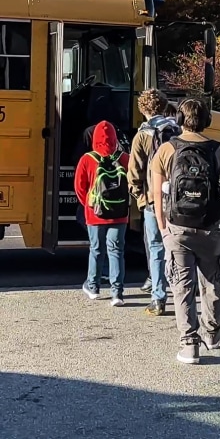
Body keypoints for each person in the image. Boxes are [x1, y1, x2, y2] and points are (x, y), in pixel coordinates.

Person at [151, 99, 220, 364]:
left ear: (179, 120)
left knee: (182, 287)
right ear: (207, 120)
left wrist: (163, 228)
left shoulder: (166, 149)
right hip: (210, 228)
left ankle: (189, 344)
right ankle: (212, 333)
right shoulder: (219, 150)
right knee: (211, 283)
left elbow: (156, 193)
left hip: (178, 228)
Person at [129, 89, 180, 316]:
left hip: (153, 201)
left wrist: (141, 199)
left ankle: (158, 298)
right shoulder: (177, 131)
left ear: (143, 110)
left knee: (156, 249)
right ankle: (182, 294)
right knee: (179, 249)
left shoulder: (142, 136)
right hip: (178, 200)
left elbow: (134, 173)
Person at [74, 120, 131, 306]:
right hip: (120, 214)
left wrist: (88, 206)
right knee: (116, 251)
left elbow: (79, 187)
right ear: (114, 138)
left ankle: (93, 287)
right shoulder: (124, 158)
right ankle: (117, 293)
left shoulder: (87, 159)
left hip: (95, 213)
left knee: (96, 250)